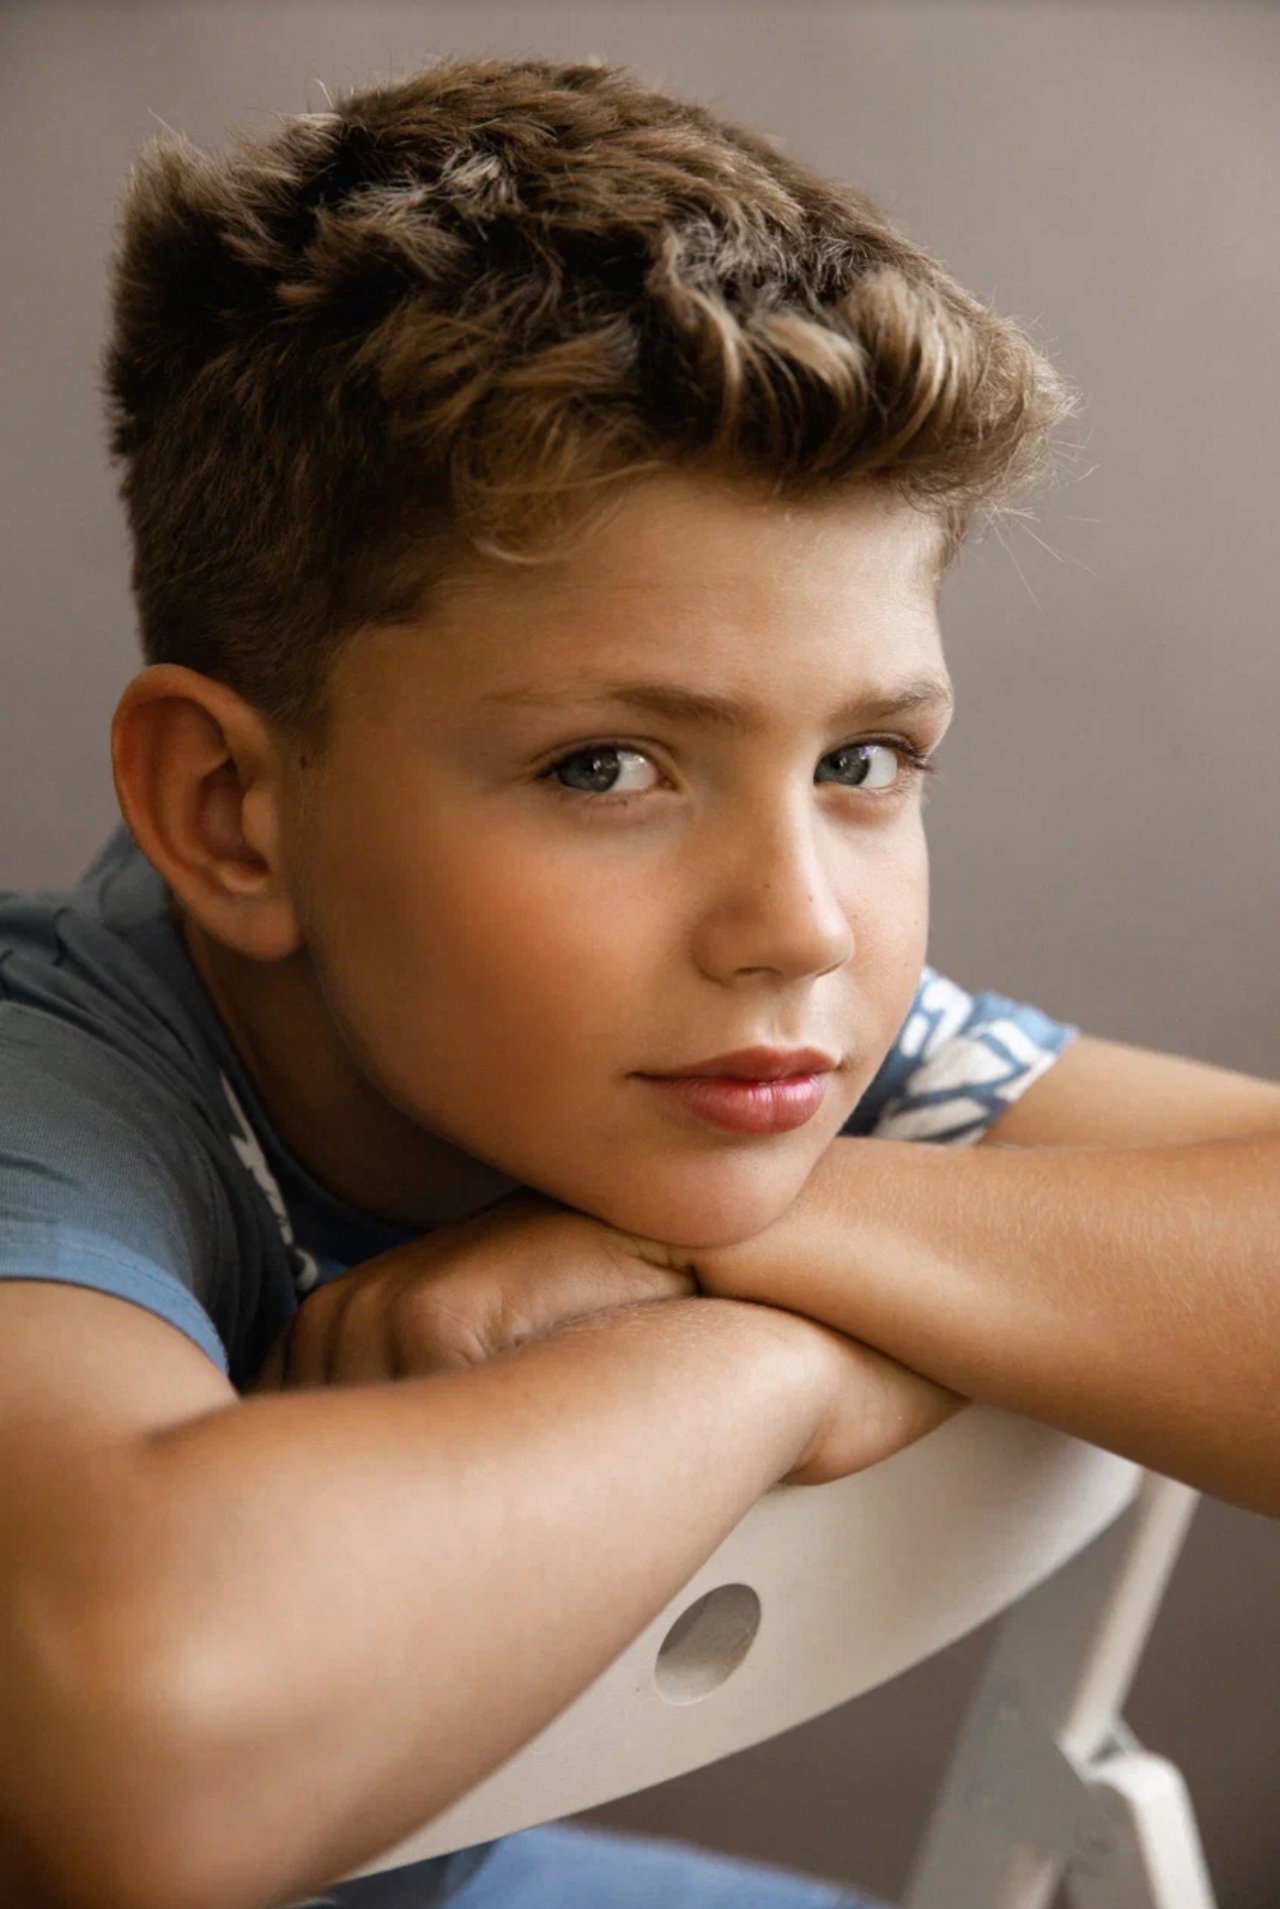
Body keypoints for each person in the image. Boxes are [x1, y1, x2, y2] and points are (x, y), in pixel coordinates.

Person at [1, 53, 1276, 1909]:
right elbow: (145, 1745)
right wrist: (777, 1369)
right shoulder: (53, 1096)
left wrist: (762, 1261)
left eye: (863, 762)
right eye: (607, 767)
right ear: (231, 814)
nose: (799, 925)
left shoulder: (743, 1053)